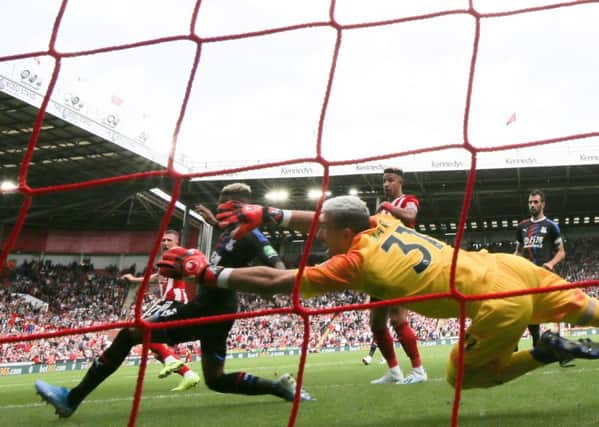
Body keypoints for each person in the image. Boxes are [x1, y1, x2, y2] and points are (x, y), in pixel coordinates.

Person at [167, 195, 599, 390]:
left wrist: (210, 274)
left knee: (462, 377)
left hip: (494, 302)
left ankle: (547, 351)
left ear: (347, 232)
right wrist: (270, 214)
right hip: (509, 267)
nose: (320, 236)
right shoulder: (382, 221)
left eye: (327, 233)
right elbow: (330, 214)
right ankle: (559, 340)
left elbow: (278, 282)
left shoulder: (351, 263)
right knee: (594, 309)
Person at [34, 184, 313, 419]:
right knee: (215, 379)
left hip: (209, 309)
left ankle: (72, 398)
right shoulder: (230, 232)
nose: (222, 211)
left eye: (225, 206)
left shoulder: (253, 233)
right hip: (219, 309)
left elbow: (278, 267)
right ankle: (279, 387)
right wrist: (212, 224)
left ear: (239, 205)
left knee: (130, 333)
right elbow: (230, 249)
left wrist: (267, 287)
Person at [361, 168, 426, 385]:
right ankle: (394, 371)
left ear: (400, 182)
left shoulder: (408, 200)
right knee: (376, 323)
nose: (385, 185)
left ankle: (418, 370)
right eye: (383, 181)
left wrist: (387, 206)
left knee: (398, 319)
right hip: (379, 268)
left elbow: (411, 216)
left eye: (390, 180)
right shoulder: (381, 213)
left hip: (399, 266)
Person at [120, 229, 200, 392]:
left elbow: (194, 262)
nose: (165, 243)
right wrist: (134, 280)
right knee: (151, 342)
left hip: (174, 299)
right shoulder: (166, 259)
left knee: (140, 327)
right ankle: (187, 373)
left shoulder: (180, 255)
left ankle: (171, 358)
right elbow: (156, 277)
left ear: (176, 242)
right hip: (166, 301)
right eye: (163, 240)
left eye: (169, 240)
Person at [514, 189, 566, 346]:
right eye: (530, 202)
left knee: (553, 308)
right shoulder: (522, 226)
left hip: (545, 275)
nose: (532, 205)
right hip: (527, 276)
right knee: (529, 310)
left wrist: (550, 263)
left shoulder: (551, 226)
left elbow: (562, 252)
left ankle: (557, 341)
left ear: (543, 204)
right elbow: (518, 251)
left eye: (535, 202)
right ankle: (536, 339)